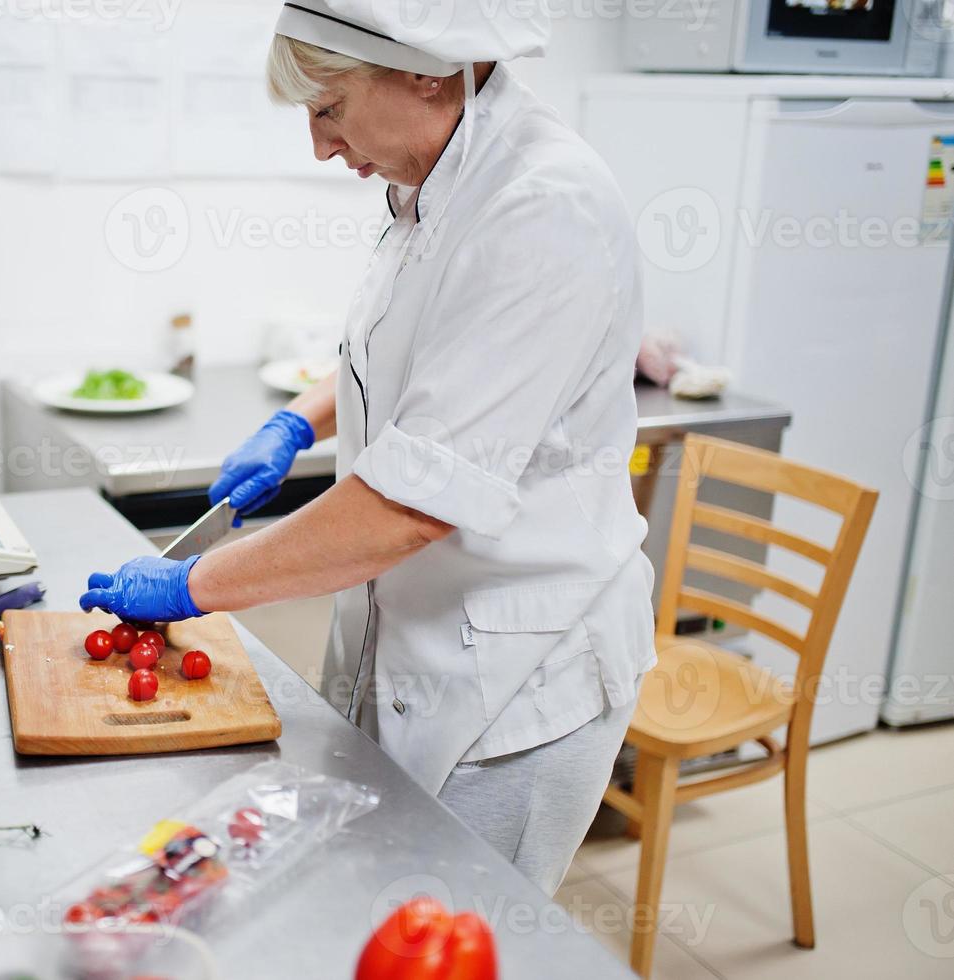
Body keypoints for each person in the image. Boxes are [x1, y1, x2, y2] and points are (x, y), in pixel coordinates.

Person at [81, 0, 656, 894]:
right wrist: (298, 421)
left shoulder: (543, 209)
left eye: (328, 108)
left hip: (512, 675)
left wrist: (192, 585)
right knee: (373, 905)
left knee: (458, 933)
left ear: (424, 69)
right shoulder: (435, 182)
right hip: (412, 637)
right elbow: (409, 356)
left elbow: (406, 509)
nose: (317, 146)